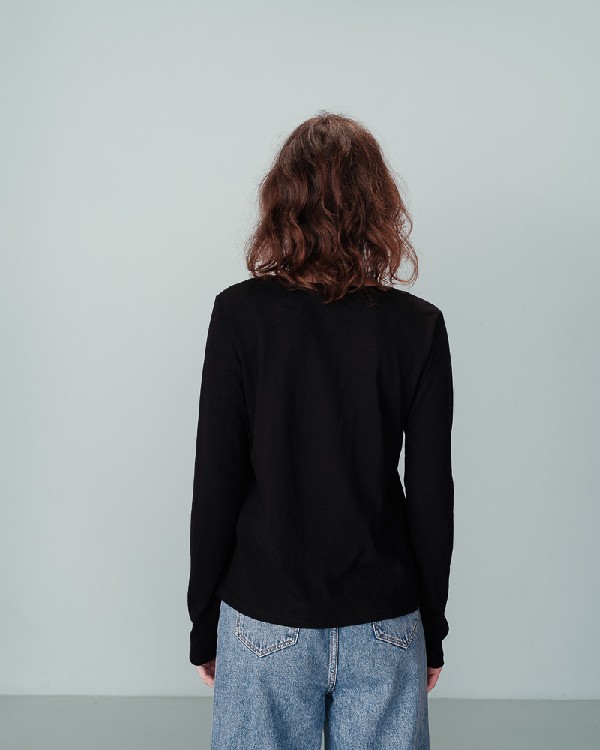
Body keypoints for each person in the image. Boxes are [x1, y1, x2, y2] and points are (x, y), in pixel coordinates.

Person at [187, 111, 455, 749]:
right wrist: (431, 628)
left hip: (264, 616)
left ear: (281, 201)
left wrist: (203, 623)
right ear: (378, 206)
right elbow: (431, 493)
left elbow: (216, 478)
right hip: (385, 620)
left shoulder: (239, 314)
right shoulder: (417, 326)